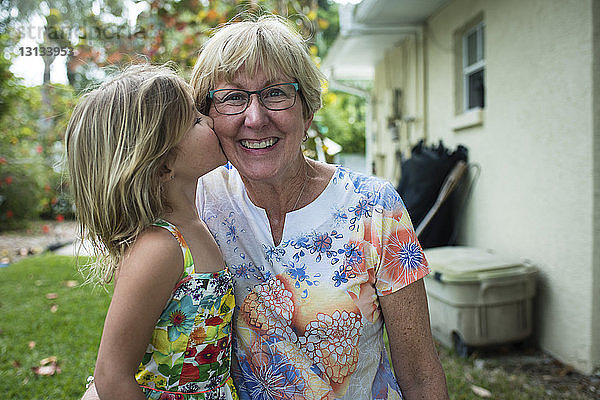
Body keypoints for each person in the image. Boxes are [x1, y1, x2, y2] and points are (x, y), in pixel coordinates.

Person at [190, 14, 449, 400]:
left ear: (308, 111)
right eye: (232, 98)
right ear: (209, 117)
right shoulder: (199, 202)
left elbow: (420, 375)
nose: (255, 119)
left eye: (276, 93)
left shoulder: (374, 208)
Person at [65, 64, 238, 400]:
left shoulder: (196, 223)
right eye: (195, 121)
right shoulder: (161, 247)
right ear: (162, 164)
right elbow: (112, 376)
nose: (211, 121)